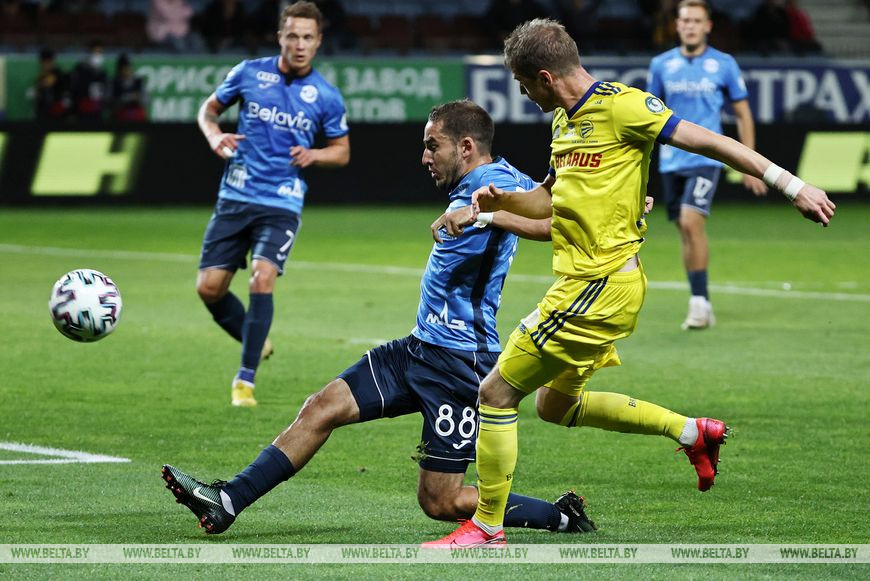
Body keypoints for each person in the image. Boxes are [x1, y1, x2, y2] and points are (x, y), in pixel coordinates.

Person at [423, 18, 835, 548]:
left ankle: (486, 526)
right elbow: (549, 204)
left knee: (495, 393)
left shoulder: (625, 107)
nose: (524, 96)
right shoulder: (564, 123)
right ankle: (691, 432)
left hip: (597, 288)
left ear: (545, 77)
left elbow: (711, 141)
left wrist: (791, 184)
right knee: (555, 406)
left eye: (524, 85)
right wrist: (494, 205)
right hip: (589, 285)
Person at [161, 100, 597, 537]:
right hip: (419, 348)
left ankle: (559, 516)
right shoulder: (504, 178)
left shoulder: (492, 185)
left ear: (466, 147)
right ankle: (228, 501)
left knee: (440, 501)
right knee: (322, 406)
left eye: (433, 146)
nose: (424, 157)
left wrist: (490, 212)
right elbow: (548, 199)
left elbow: (558, 219)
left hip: (460, 364)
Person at [195, 1, 350, 407]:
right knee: (209, 289)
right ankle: (255, 337)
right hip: (235, 195)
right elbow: (208, 111)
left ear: (318, 42)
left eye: (308, 37)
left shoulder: (327, 96)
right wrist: (215, 136)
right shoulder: (248, 73)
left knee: (261, 278)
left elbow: (342, 152)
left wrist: (315, 155)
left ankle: (244, 381)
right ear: (280, 36)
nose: (300, 44)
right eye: (293, 36)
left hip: (282, 202)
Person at [647, 0, 767, 330]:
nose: (690, 26)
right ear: (677, 25)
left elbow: (743, 113)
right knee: (685, 230)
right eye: (685, 20)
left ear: (708, 26)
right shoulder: (661, 65)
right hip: (671, 160)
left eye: (696, 21)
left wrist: (748, 162)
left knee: (691, 222)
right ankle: (700, 299)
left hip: (706, 158)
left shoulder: (724, 64)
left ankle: (699, 303)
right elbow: (649, 114)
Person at [69, 40, 109, 122]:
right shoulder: (80, 69)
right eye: (95, 52)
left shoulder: (103, 73)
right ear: (90, 53)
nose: (98, 55)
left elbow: (104, 93)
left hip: (97, 111)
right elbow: (73, 90)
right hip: (82, 111)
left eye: (100, 52)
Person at [31, 48, 70, 120]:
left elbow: (64, 91)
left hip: (57, 110)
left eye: (47, 62)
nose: (44, 65)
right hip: (44, 111)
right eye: (43, 62)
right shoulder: (42, 75)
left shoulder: (59, 74)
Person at [111, 54, 147, 122]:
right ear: (119, 70)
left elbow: (146, 100)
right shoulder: (114, 82)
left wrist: (138, 98)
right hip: (120, 119)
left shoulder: (139, 81)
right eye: (123, 68)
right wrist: (129, 97)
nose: (126, 71)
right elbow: (110, 102)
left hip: (138, 118)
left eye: (128, 68)